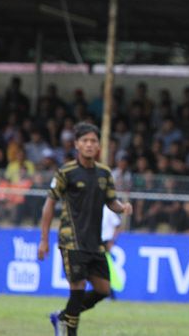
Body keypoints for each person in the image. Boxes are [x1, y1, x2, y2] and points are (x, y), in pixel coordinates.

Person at [37, 122, 133, 336]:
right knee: (78, 288)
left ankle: (62, 317)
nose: (89, 145)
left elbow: (111, 202)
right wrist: (44, 239)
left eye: (93, 141)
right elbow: (49, 203)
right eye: (85, 141)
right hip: (72, 240)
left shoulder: (105, 173)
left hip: (94, 241)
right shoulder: (66, 172)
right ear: (77, 145)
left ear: (99, 146)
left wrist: (122, 207)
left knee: (103, 290)